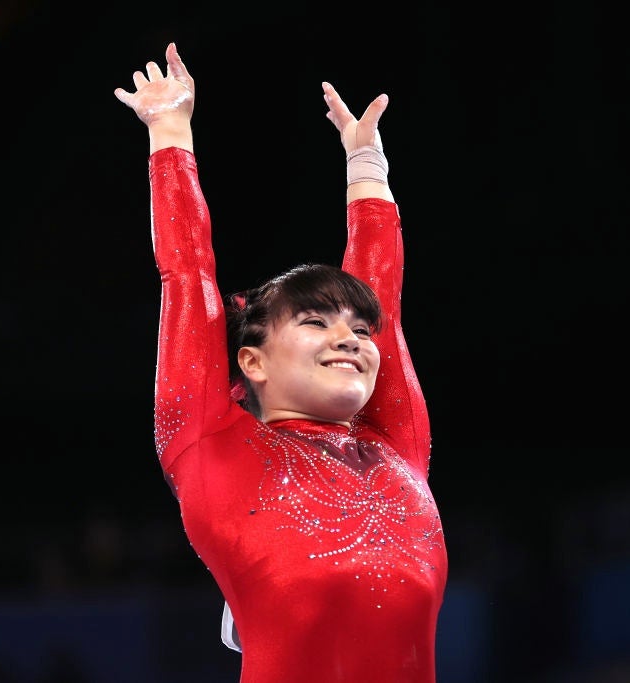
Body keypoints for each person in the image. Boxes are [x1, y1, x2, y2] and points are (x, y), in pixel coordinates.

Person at [114, 42, 448, 682]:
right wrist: (170, 135)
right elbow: (187, 275)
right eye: (317, 323)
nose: (351, 338)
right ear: (252, 362)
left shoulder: (398, 448)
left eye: (356, 328)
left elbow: (388, 306)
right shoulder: (210, 446)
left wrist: (366, 163)